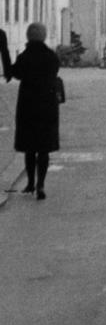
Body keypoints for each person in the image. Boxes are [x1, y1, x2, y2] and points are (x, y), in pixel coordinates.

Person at [3, 22, 62, 200]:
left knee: (30, 148)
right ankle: (41, 184)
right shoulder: (51, 57)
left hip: (28, 106)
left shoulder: (25, 57)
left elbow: (13, 73)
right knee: (43, 149)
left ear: (29, 37)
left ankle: (30, 183)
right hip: (47, 106)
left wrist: (4, 51)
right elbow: (54, 73)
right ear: (43, 36)